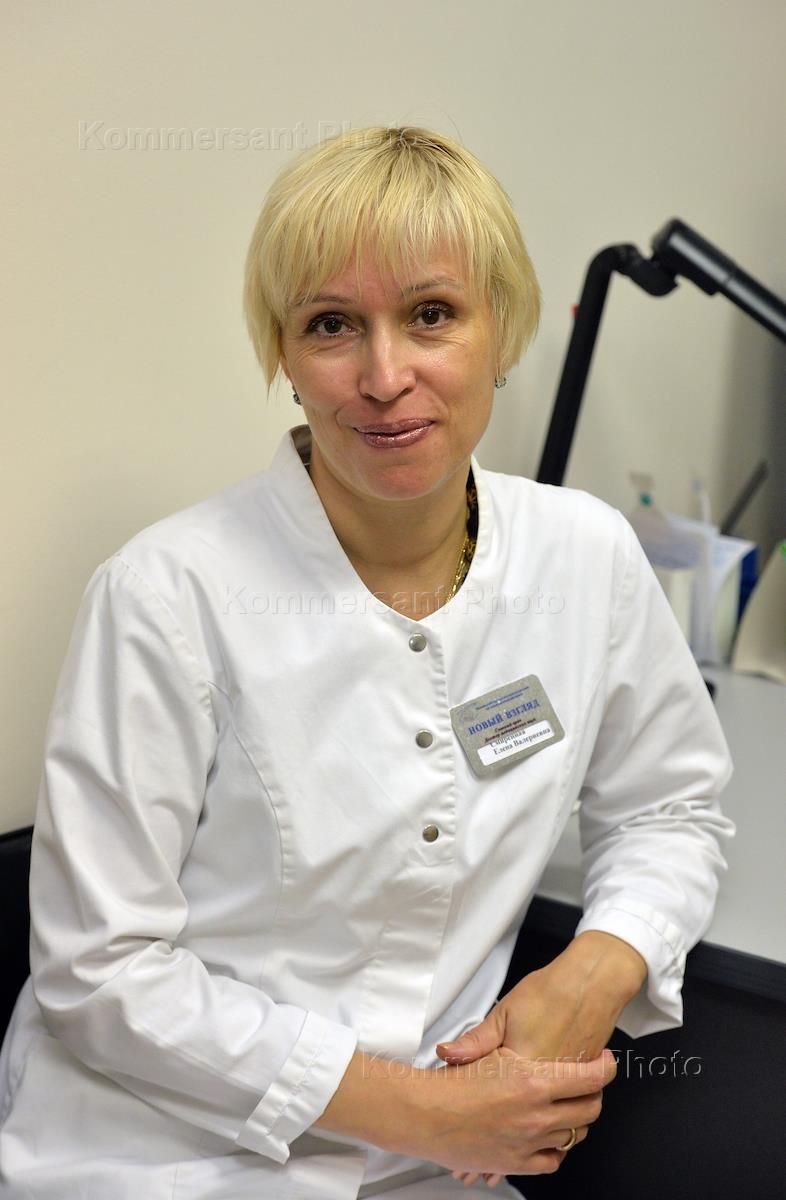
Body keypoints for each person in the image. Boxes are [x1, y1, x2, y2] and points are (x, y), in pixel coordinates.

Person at [0, 126, 734, 1199]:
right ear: (284, 356)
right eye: (332, 325)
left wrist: (598, 966)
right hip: (160, 1153)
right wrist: (428, 1113)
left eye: (432, 314)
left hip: (441, 1165)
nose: (386, 377)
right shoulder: (166, 594)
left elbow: (671, 809)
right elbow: (97, 972)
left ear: (503, 327)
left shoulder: (585, 556)